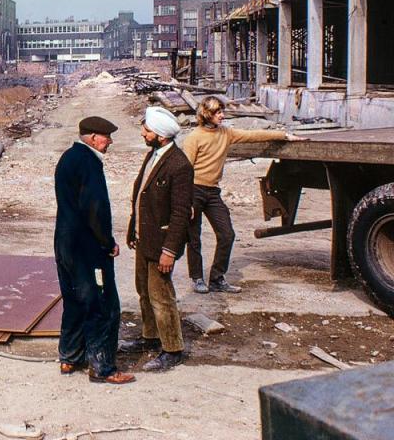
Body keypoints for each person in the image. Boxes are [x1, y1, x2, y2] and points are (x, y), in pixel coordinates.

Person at [184, 96, 303, 293]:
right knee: (193, 237)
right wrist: (185, 200)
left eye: (222, 111)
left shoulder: (226, 133)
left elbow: (253, 135)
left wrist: (284, 135)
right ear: (207, 114)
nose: (222, 116)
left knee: (227, 234)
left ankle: (216, 278)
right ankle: (197, 278)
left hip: (213, 192)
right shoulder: (193, 138)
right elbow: (185, 171)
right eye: (218, 113)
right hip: (194, 191)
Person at [53, 115, 134, 385]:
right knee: (102, 304)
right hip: (88, 247)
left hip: (65, 243)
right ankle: (103, 367)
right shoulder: (89, 163)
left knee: (73, 299)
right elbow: (95, 209)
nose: (110, 141)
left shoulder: (67, 158)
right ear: (92, 137)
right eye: (106, 136)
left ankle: (69, 357)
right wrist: (108, 243)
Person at [122, 106, 193, 372]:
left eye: (147, 130)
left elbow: (180, 213)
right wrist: (133, 230)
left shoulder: (179, 165)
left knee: (161, 296)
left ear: (161, 135)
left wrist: (170, 251)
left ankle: (172, 349)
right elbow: (141, 195)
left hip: (161, 245)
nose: (143, 133)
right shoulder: (153, 155)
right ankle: (150, 337)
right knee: (144, 292)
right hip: (144, 240)